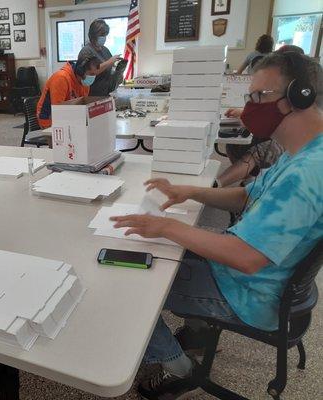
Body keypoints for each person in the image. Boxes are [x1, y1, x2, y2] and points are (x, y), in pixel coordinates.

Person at [110, 52, 322, 399]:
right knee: (169, 250)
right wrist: (190, 192)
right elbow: (246, 197)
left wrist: (166, 227)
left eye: (258, 96)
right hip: (258, 278)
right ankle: (196, 332)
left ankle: (178, 368)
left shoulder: (307, 174)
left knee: (128, 282)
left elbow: (248, 258)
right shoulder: (303, 153)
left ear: (298, 97)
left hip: (249, 293)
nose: (250, 106)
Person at [218, 45, 305, 187]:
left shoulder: (297, 99)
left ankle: (220, 183)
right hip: (273, 136)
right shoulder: (280, 93)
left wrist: (214, 186)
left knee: (256, 153)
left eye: (261, 94)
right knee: (234, 146)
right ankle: (249, 180)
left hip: (283, 141)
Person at [36, 55, 101, 129]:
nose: (93, 77)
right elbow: (58, 110)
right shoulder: (61, 78)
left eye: (95, 75)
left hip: (68, 118)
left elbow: (82, 106)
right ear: (80, 71)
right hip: (48, 119)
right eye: (91, 74)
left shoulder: (85, 83)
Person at [77, 19, 121, 96]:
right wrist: (109, 62)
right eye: (101, 35)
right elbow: (90, 71)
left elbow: (111, 67)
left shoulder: (105, 49)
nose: (104, 38)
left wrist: (118, 72)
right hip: (92, 94)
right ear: (93, 35)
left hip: (106, 93)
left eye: (105, 35)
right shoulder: (86, 51)